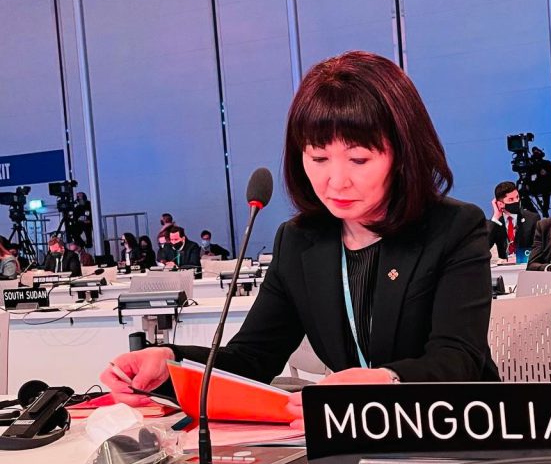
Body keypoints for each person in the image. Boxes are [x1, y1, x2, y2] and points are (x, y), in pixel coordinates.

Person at [101, 50, 499, 428]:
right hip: (351, 437)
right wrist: (169, 365)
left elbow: (457, 359)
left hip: (454, 430)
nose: (336, 181)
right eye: (319, 158)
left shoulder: (453, 227)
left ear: (402, 155)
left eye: (359, 159)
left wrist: (385, 383)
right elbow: (251, 358)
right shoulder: (300, 241)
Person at [488, 181, 539, 261]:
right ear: (500, 204)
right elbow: (483, 247)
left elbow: (538, 249)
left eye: (517, 197)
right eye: (511, 199)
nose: (516, 201)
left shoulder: (532, 219)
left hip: (525, 265)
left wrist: (518, 258)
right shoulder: (495, 223)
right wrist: (495, 218)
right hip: (502, 267)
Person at [520, 145, 551, 217]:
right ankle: (531, 211)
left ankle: (545, 210)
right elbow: (528, 176)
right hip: (535, 186)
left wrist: (546, 173)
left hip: (546, 186)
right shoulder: (532, 166)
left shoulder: (547, 164)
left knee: (545, 190)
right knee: (522, 192)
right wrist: (526, 184)